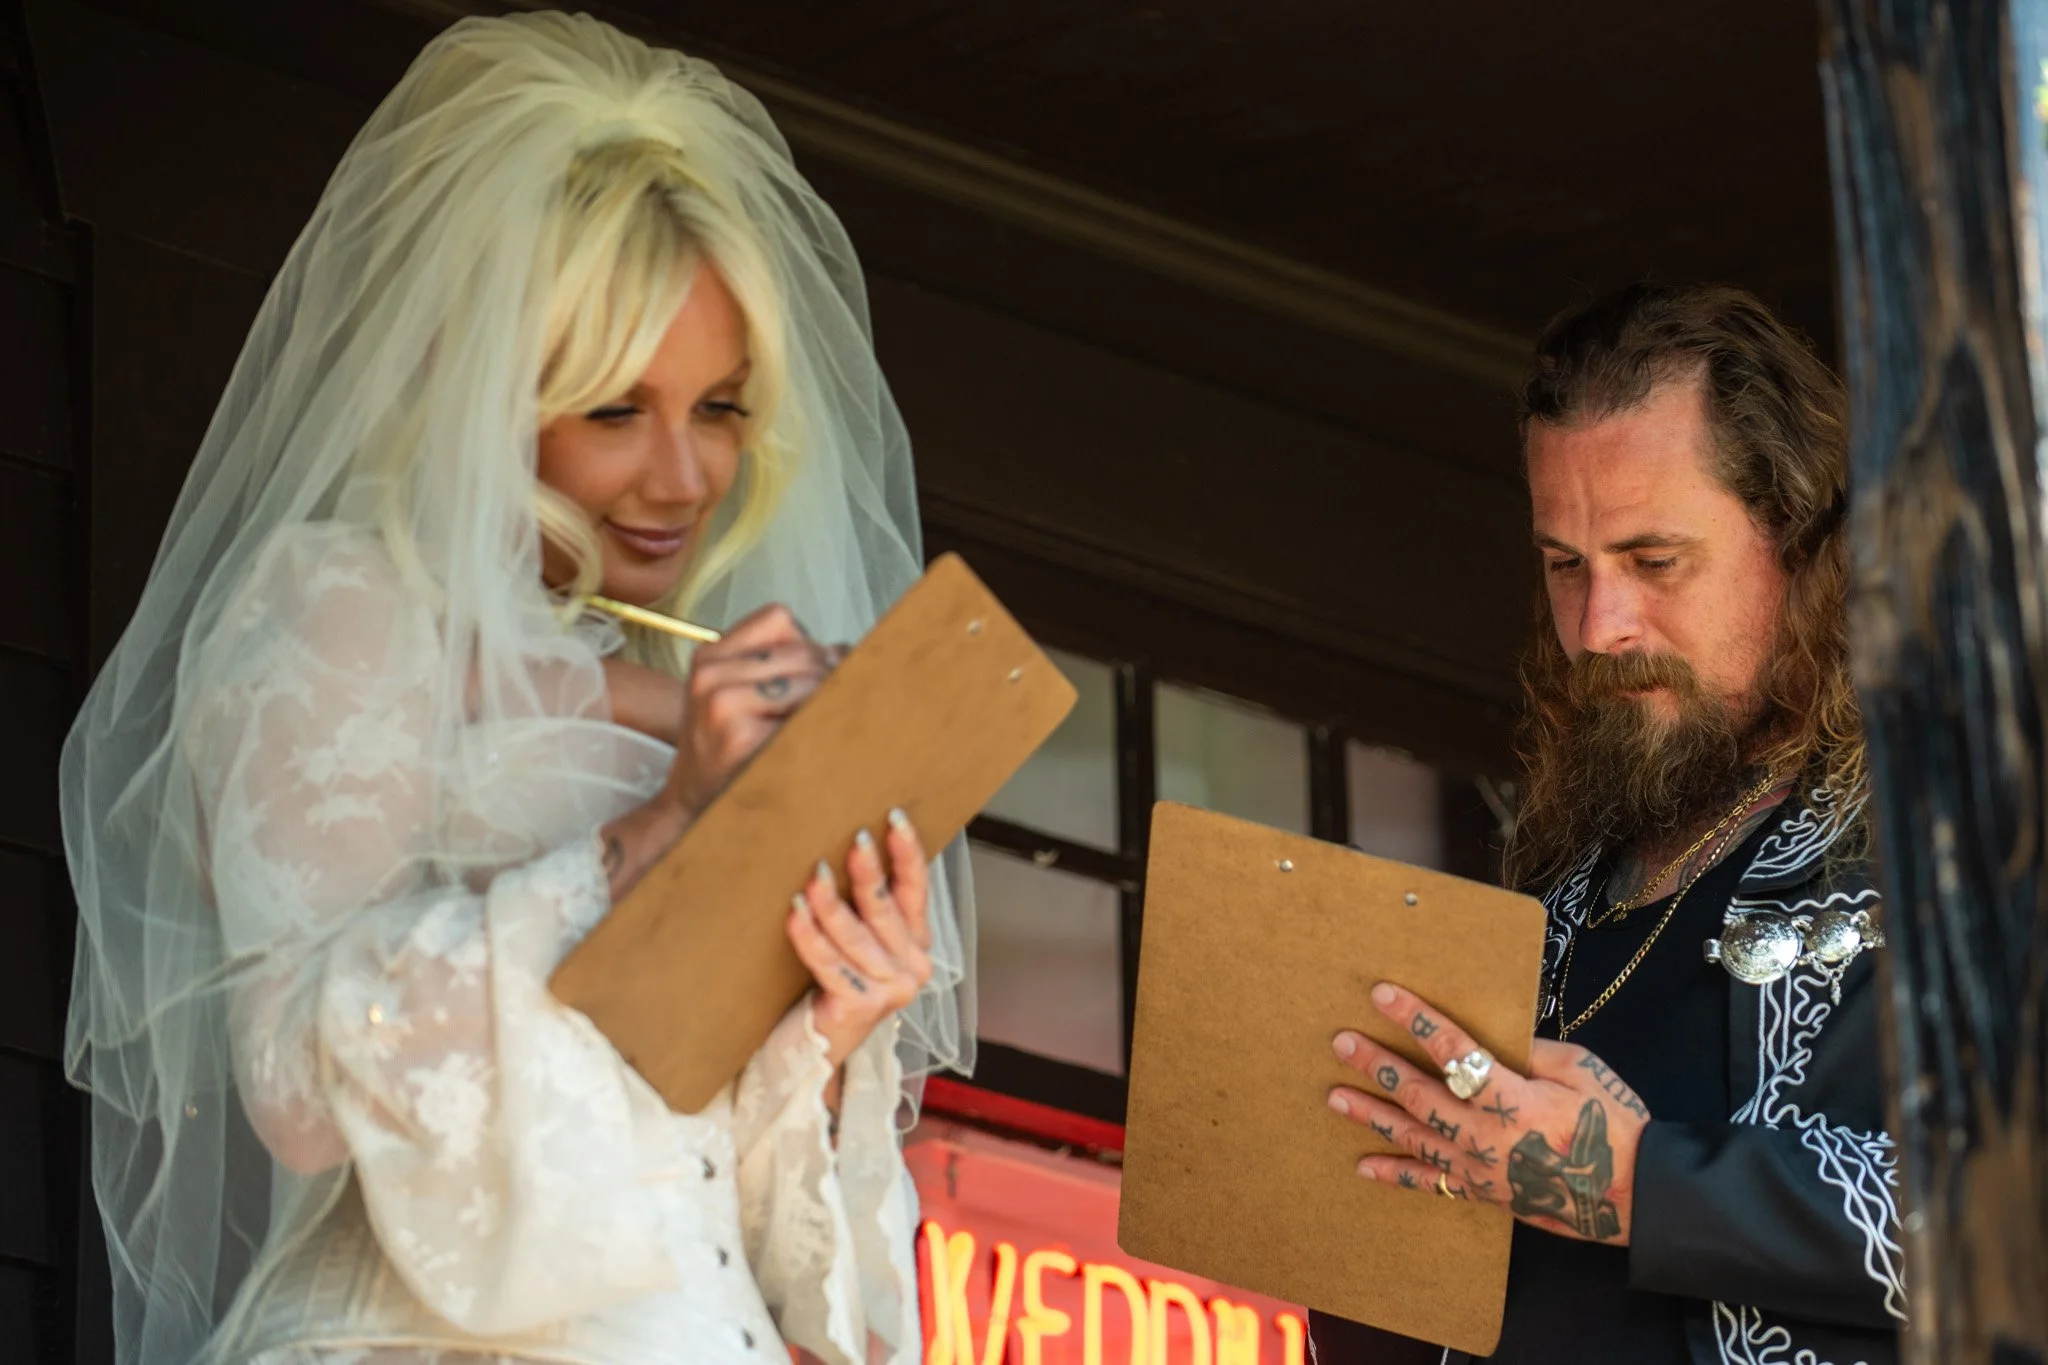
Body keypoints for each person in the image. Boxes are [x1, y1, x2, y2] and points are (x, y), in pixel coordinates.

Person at [58, 13, 974, 1365]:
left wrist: (829, 1031)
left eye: (720, 408)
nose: (683, 477)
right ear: (484, 385)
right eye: (616, 409)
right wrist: (656, 834)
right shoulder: (349, 613)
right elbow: (297, 1090)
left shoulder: (699, 676)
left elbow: (739, 1216)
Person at [1309, 284, 1901, 1364]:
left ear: (1803, 541)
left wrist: (1644, 1187)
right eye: (1564, 566)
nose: (1598, 625)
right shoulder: (1551, 904)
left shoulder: (1958, 869)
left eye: (1652, 562)